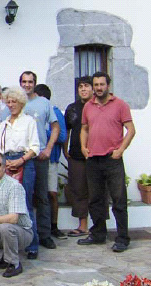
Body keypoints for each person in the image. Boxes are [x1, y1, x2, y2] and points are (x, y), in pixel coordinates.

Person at [78, 71, 135, 252]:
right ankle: (98, 234)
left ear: (108, 85)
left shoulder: (120, 105)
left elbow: (131, 130)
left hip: (112, 159)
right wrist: (83, 147)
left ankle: (122, 238)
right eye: (96, 85)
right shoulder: (88, 106)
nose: (99, 88)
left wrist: (121, 150)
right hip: (93, 159)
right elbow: (84, 128)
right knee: (95, 199)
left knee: (118, 200)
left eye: (102, 84)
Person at [12, 71, 60, 251]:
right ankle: (23, 235)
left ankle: (44, 235)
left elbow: (55, 127)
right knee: (21, 198)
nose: (27, 85)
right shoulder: (14, 102)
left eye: (30, 82)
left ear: (35, 84)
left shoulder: (44, 103)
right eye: (24, 81)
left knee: (41, 196)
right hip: (18, 158)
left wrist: (48, 148)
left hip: (38, 157)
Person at [0, 87, 40, 259]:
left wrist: (21, 160)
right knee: (6, 204)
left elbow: (35, 147)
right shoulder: (3, 124)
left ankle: (32, 245)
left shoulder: (29, 122)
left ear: (21, 103)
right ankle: (10, 243)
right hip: (6, 162)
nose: (11, 105)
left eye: (14, 102)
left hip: (24, 162)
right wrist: (3, 164)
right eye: (9, 102)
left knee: (25, 204)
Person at [34, 83, 68, 240]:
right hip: (34, 158)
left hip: (51, 159)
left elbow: (61, 136)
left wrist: (43, 131)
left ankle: (53, 226)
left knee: (51, 193)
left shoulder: (54, 112)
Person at [64, 76, 93, 237]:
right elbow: (67, 130)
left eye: (86, 86)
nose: (83, 89)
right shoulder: (72, 108)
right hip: (76, 154)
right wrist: (65, 149)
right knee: (79, 189)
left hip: (97, 154)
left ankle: (98, 226)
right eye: (80, 86)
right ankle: (82, 226)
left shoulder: (98, 106)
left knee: (97, 190)